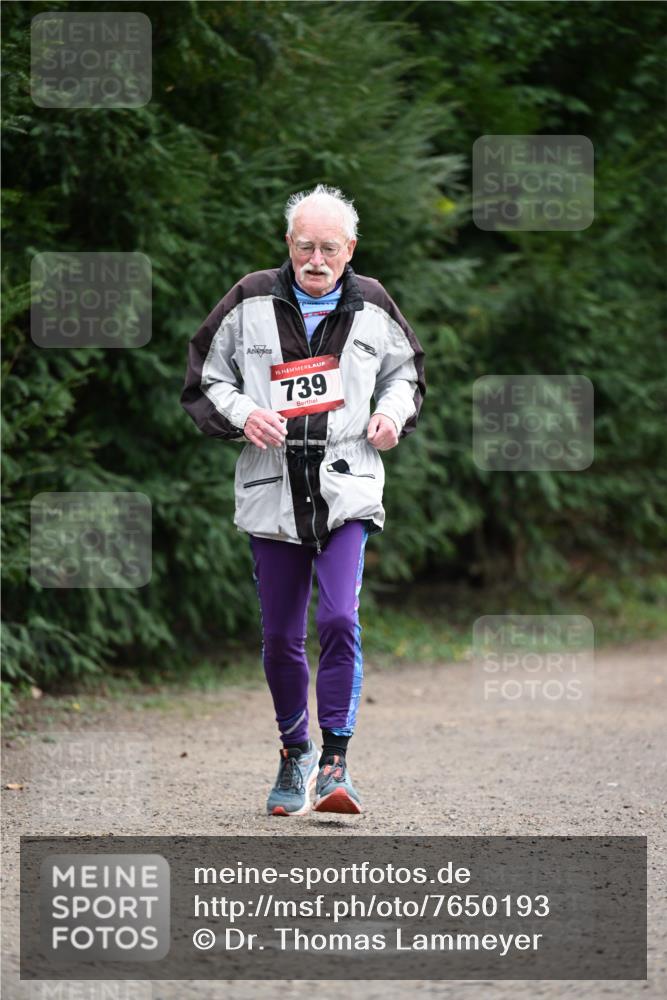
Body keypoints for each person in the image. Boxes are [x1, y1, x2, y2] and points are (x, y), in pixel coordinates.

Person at [181, 184, 425, 815]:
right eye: (305, 246)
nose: (316, 260)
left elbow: (408, 374)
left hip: (346, 481)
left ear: (350, 251)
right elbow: (205, 376)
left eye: (330, 249)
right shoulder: (249, 298)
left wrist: (393, 414)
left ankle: (336, 761)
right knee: (282, 636)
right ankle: (295, 754)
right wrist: (243, 416)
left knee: (340, 618)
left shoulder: (373, 305)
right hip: (273, 487)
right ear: (289, 245)